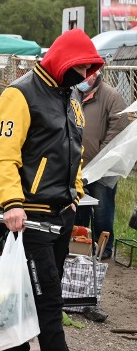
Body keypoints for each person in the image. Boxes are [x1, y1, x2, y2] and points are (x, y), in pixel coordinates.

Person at [0, 28, 104, 351]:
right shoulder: (20, 94)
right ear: (65, 60)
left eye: (88, 70)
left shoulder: (69, 95)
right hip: (31, 217)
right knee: (49, 300)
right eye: (81, 68)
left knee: (29, 299)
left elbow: (74, 151)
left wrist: (76, 193)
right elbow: (5, 154)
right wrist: (12, 202)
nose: (84, 76)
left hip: (62, 213)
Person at [74, 69, 129, 259]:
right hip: (79, 165)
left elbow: (117, 131)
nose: (82, 78)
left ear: (96, 74)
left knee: (102, 209)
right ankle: (79, 245)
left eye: (87, 74)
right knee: (78, 208)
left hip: (103, 169)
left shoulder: (112, 96)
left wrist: (99, 159)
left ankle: (103, 248)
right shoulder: (75, 93)